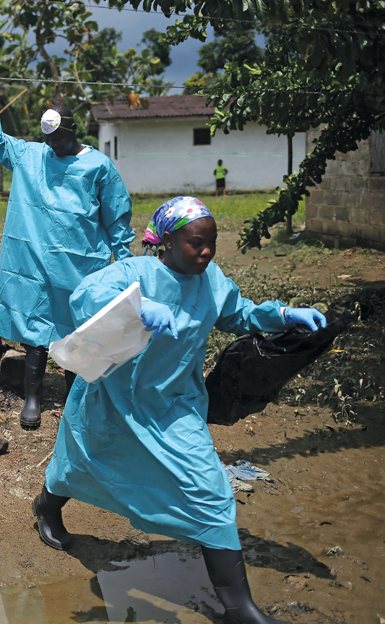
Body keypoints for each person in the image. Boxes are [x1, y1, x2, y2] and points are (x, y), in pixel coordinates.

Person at [33, 196, 327, 624]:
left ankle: (238, 609)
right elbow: (85, 297)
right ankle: (46, 506)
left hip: (174, 406)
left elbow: (238, 313)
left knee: (210, 492)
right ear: (168, 240)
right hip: (113, 399)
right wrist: (137, 305)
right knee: (81, 463)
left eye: (211, 243)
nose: (205, 252)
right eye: (195, 243)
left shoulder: (211, 283)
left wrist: (282, 314)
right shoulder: (136, 273)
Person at [0, 73, 135, 429]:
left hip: (79, 265)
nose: (54, 146)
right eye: (49, 139)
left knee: (75, 330)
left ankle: (74, 398)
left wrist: (125, 265)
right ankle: (33, 398)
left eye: (60, 139)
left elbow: (118, 219)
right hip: (32, 263)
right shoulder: (32, 155)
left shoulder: (98, 167)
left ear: (74, 132)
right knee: (35, 330)